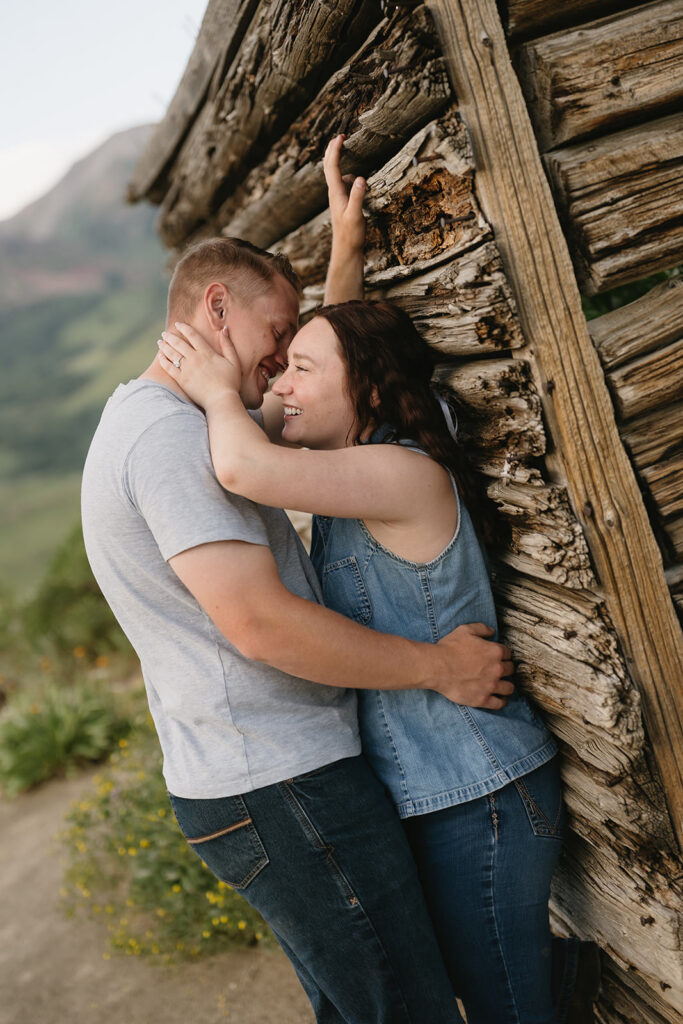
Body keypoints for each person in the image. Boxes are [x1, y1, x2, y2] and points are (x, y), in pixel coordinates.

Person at [155, 137, 587, 1024]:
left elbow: (243, 464)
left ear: (364, 389)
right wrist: (342, 260)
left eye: (299, 371)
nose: (280, 385)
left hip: (481, 794)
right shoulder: (352, 462)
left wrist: (213, 386)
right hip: (436, 794)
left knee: (507, 1008)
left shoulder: (400, 475)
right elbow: (329, 367)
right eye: (281, 363)